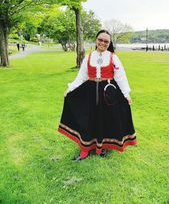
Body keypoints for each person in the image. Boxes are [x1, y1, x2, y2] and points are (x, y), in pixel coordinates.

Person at [58, 30, 137, 161]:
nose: (103, 43)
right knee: (88, 119)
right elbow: (81, 76)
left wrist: (126, 94)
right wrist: (70, 88)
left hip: (108, 93)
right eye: (100, 40)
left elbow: (121, 77)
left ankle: (102, 146)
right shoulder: (88, 57)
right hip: (89, 92)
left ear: (109, 43)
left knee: (105, 120)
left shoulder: (113, 57)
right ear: (96, 40)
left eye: (106, 41)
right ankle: (85, 149)